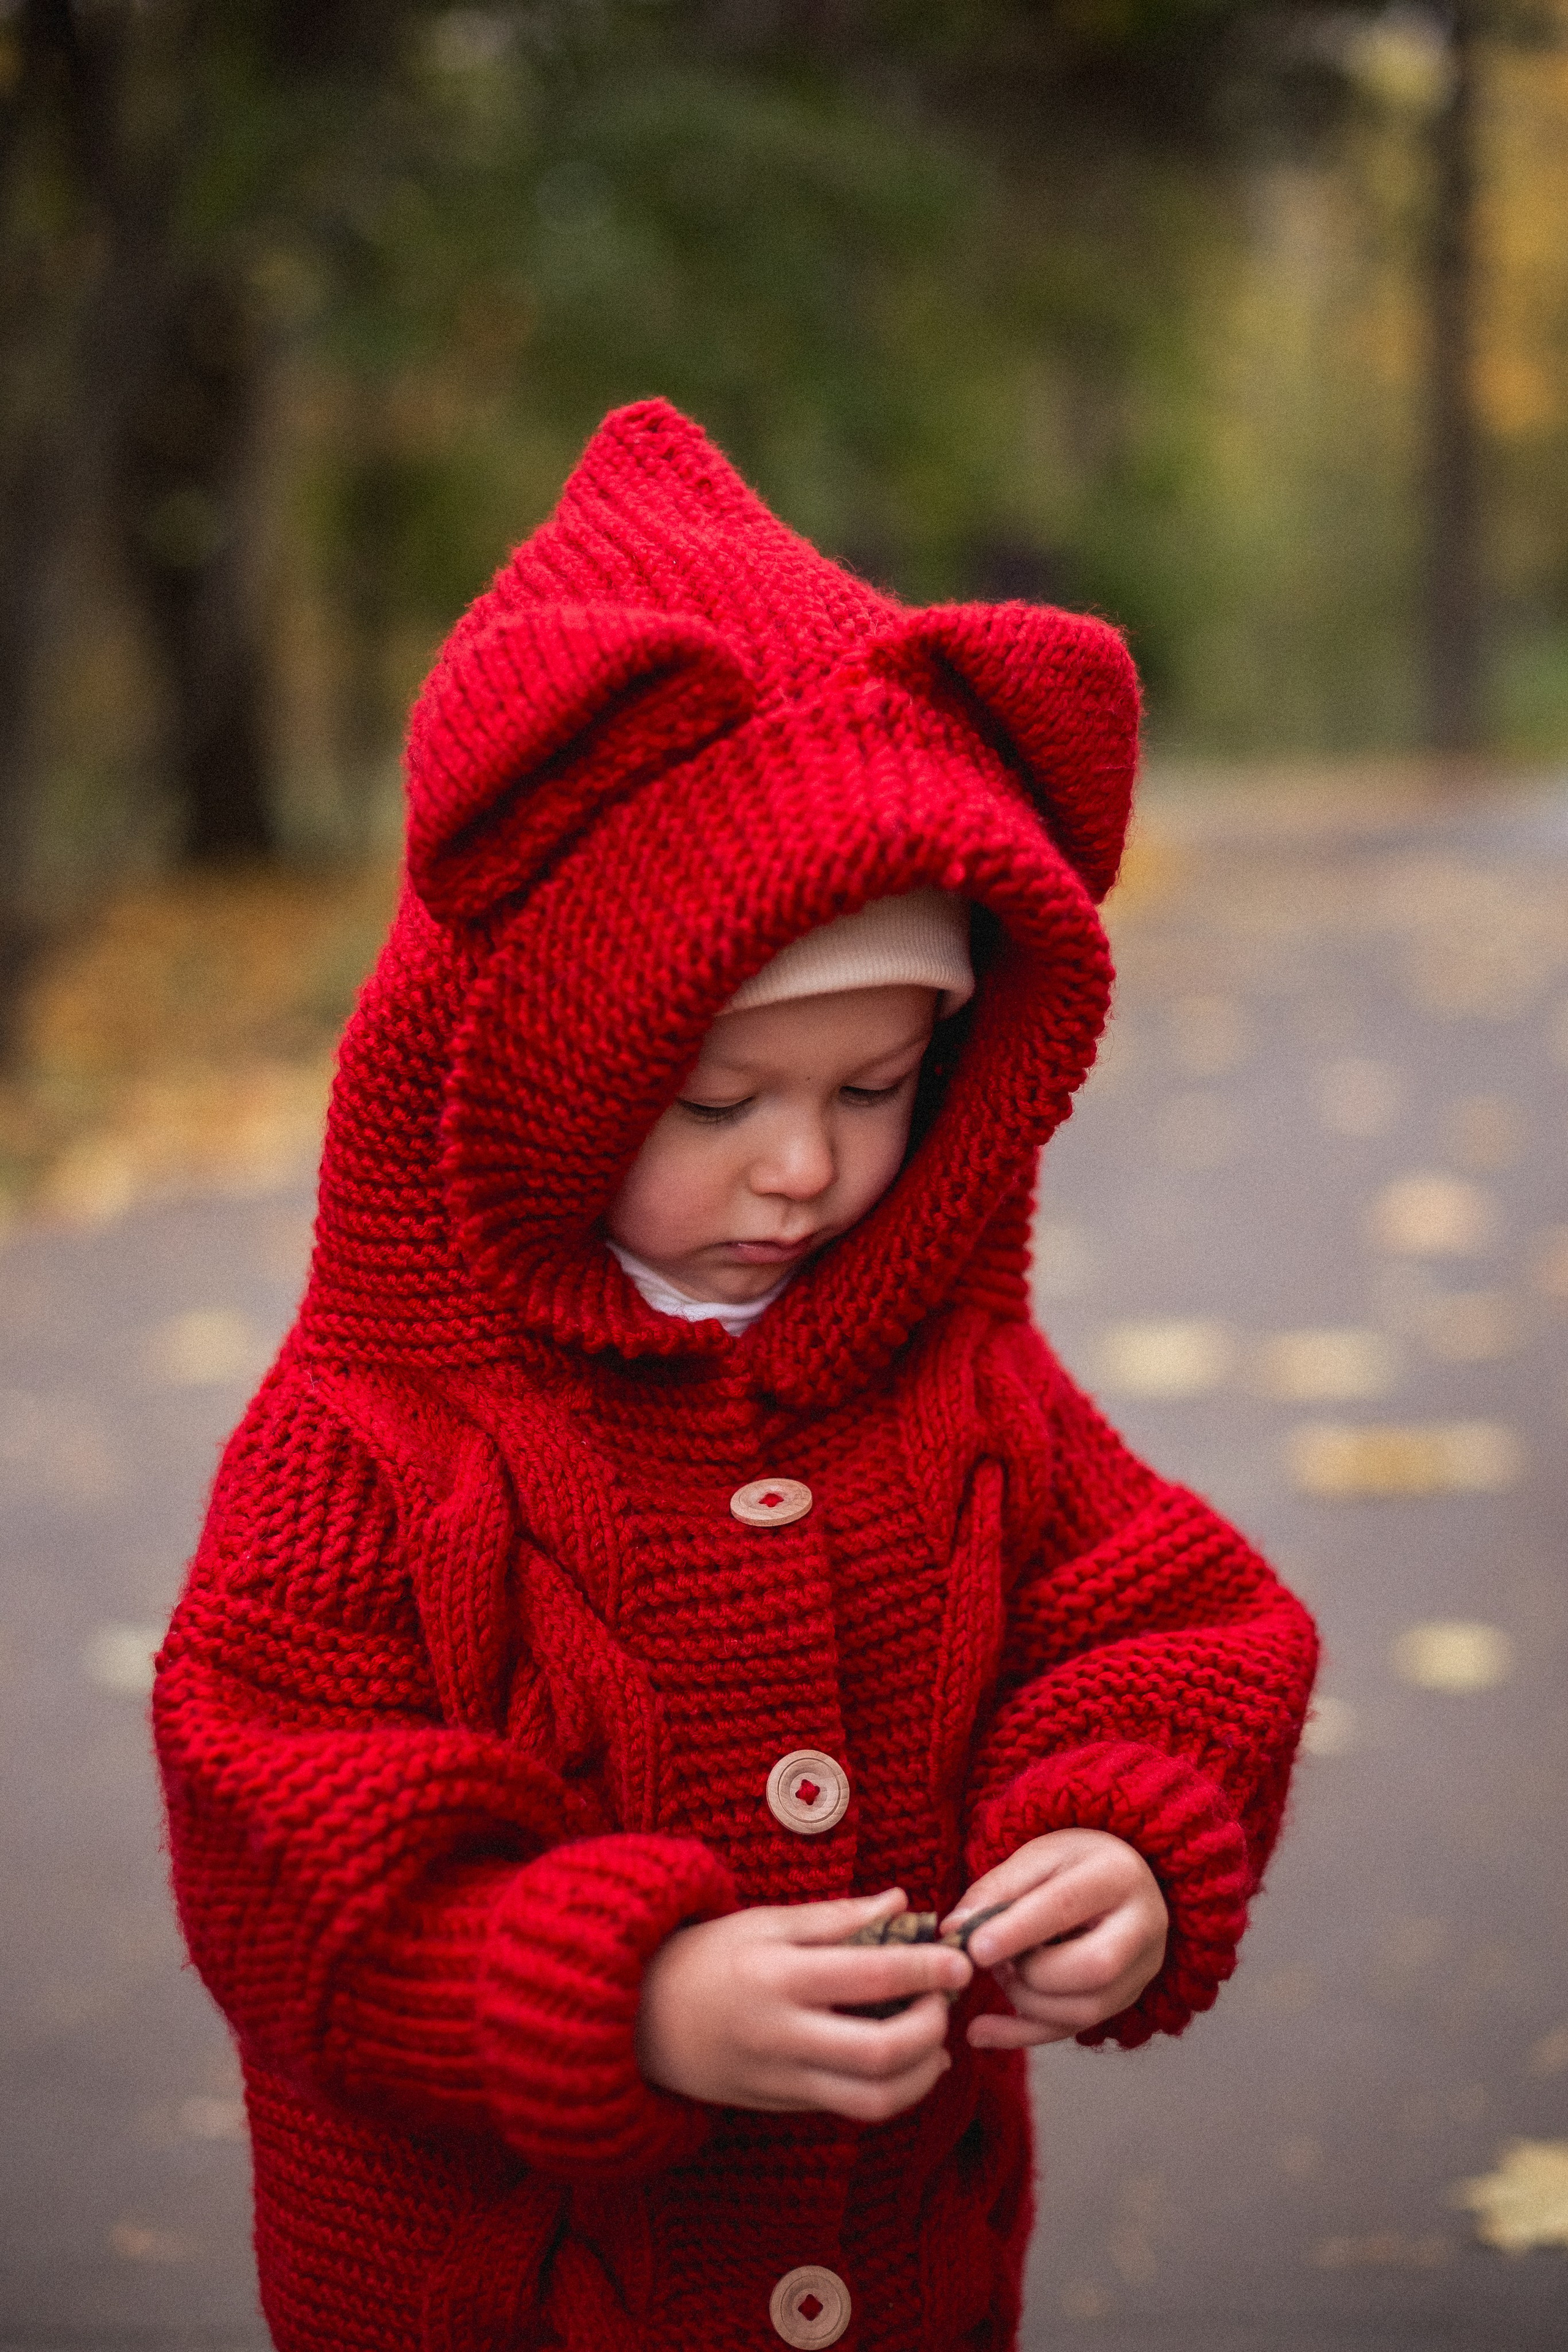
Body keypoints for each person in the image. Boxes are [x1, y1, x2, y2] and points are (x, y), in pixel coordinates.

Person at [154, 399, 1317, 2352]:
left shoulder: (952, 1380)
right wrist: (627, 2003)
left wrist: (1119, 1836)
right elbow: (278, 1845)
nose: (804, 1169)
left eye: (878, 1088)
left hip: (907, 2275)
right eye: (717, 1103)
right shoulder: (372, 1446)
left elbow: (1180, 1626)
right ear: (536, 1079)